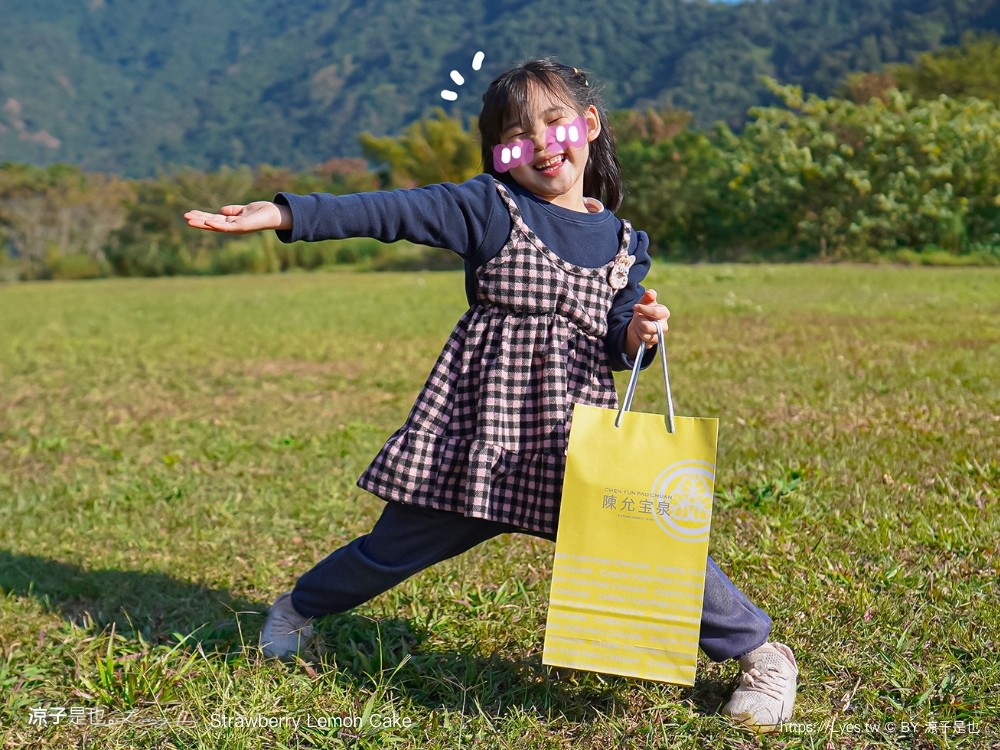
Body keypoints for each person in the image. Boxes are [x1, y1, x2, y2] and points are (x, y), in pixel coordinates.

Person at [184, 59, 797, 732]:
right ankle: (297, 609)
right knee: (393, 546)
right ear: (500, 154)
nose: (539, 144)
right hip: (482, 438)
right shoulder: (487, 206)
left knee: (652, 543)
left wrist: (642, 333)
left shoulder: (625, 243)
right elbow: (386, 210)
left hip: (575, 443)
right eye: (515, 135)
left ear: (587, 126)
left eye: (555, 122)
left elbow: (621, 344)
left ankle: (763, 657)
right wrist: (283, 212)